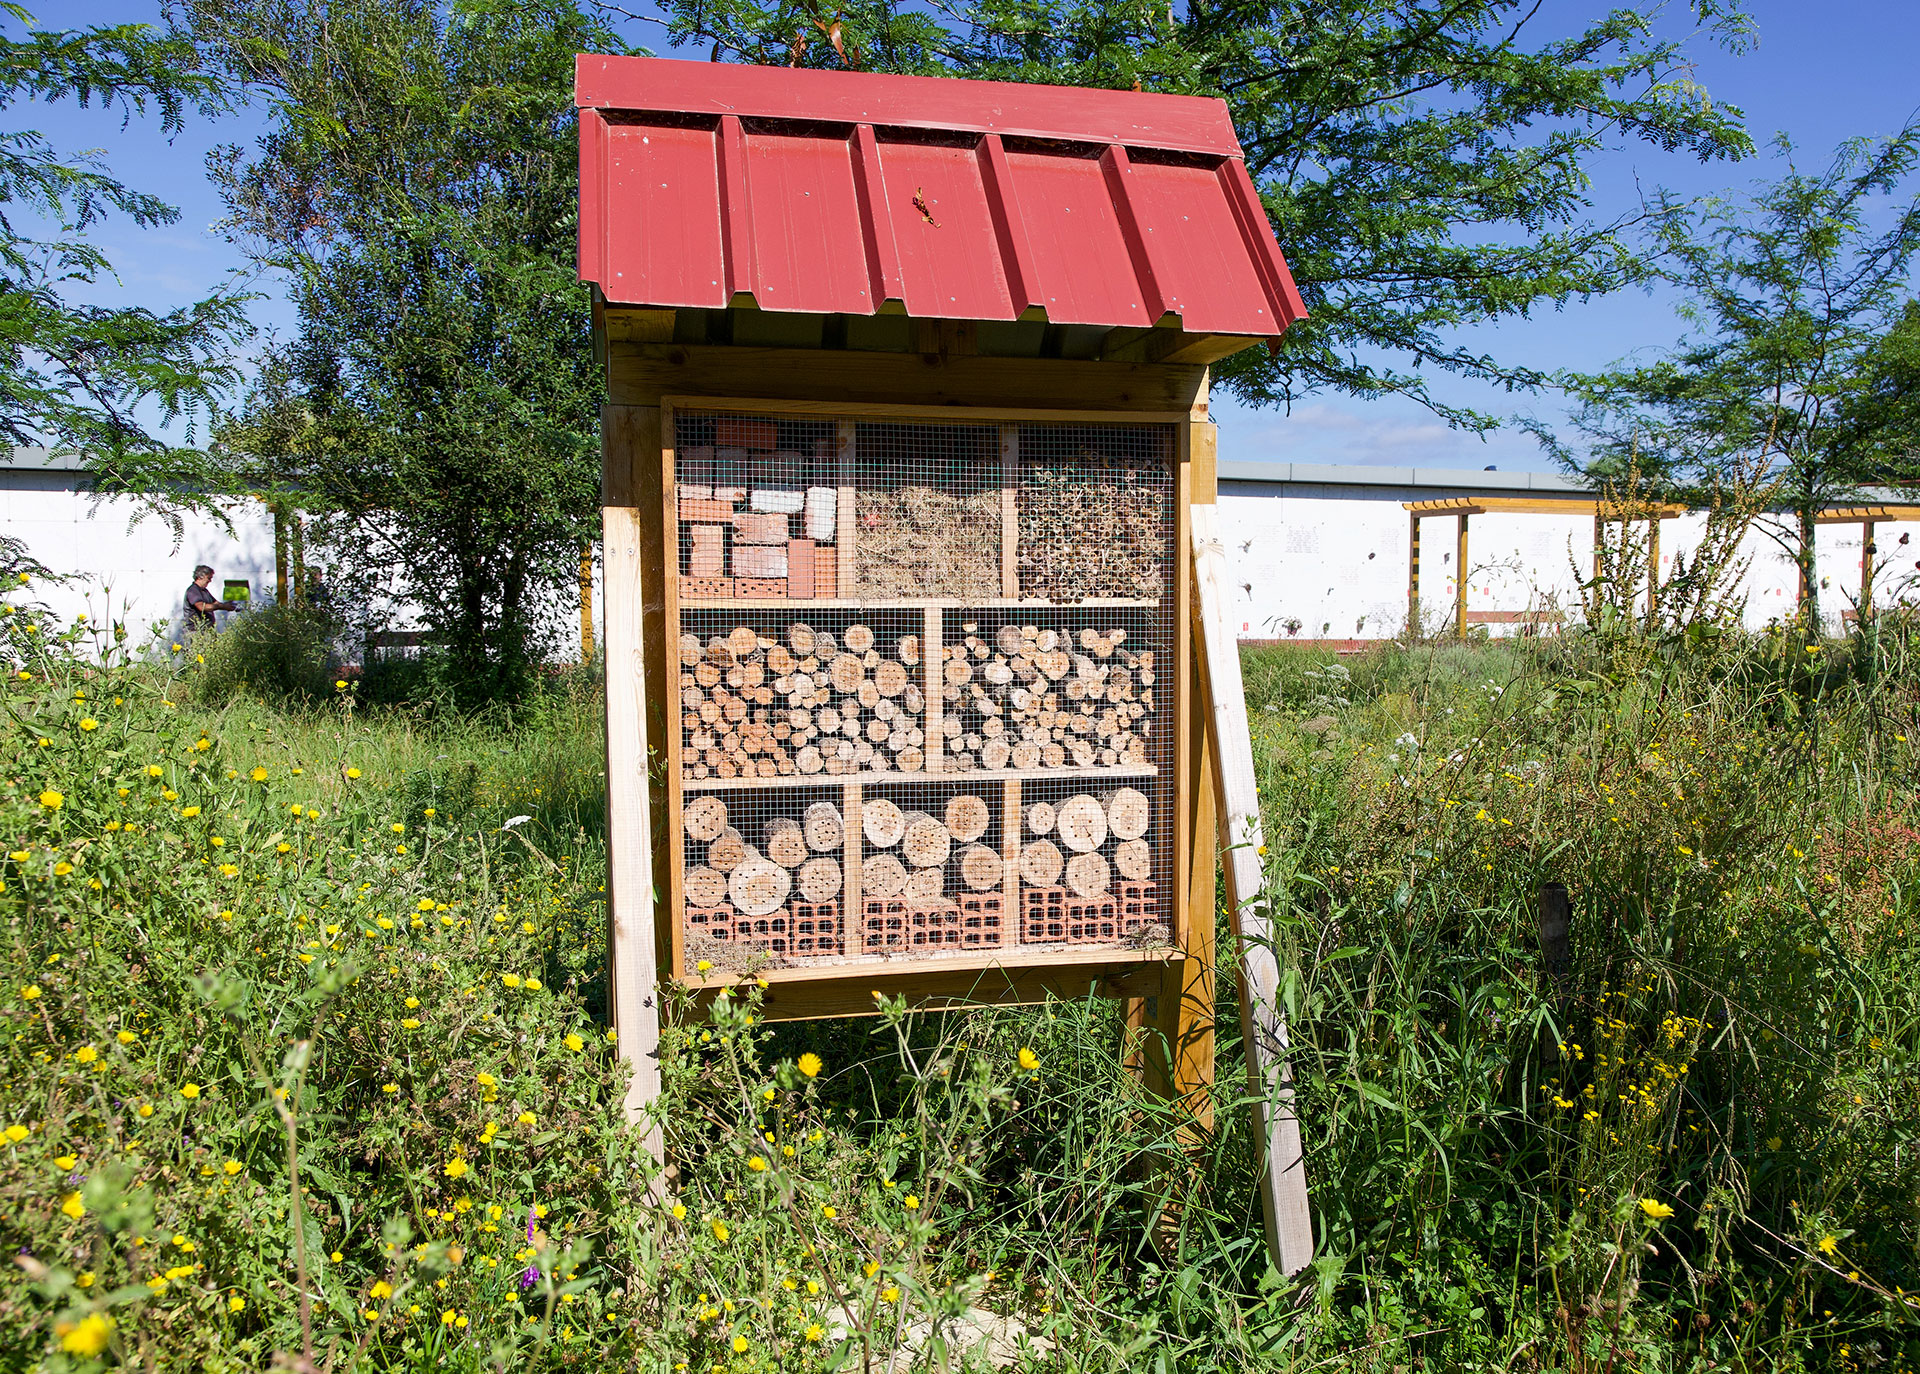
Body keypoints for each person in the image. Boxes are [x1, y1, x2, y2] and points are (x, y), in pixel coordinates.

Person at [184, 565, 239, 631]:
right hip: (196, 631)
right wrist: (222, 606)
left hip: (207, 630)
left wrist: (229, 605)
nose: (210, 581)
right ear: (200, 577)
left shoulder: (204, 591)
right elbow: (202, 607)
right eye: (209, 578)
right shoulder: (193, 590)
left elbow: (216, 603)